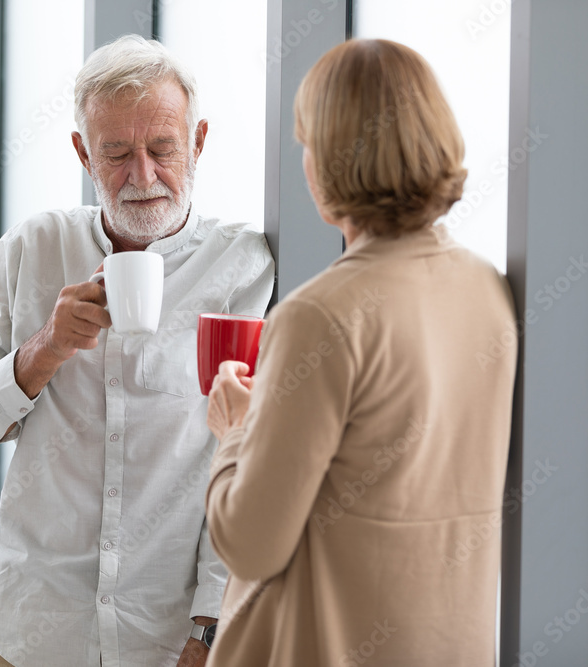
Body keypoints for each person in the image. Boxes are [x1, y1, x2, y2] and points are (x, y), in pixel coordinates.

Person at [0, 34, 275, 667]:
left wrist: (211, 624)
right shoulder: (34, 246)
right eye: (116, 152)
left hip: (163, 639)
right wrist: (43, 348)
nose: (141, 175)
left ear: (198, 142)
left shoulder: (244, 267)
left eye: (162, 149)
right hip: (17, 629)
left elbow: (245, 456)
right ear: (82, 154)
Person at [203, 38, 518, 666]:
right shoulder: (487, 289)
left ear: (334, 162)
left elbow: (252, 543)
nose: (305, 163)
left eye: (308, 144)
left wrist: (236, 431)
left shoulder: (318, 316)